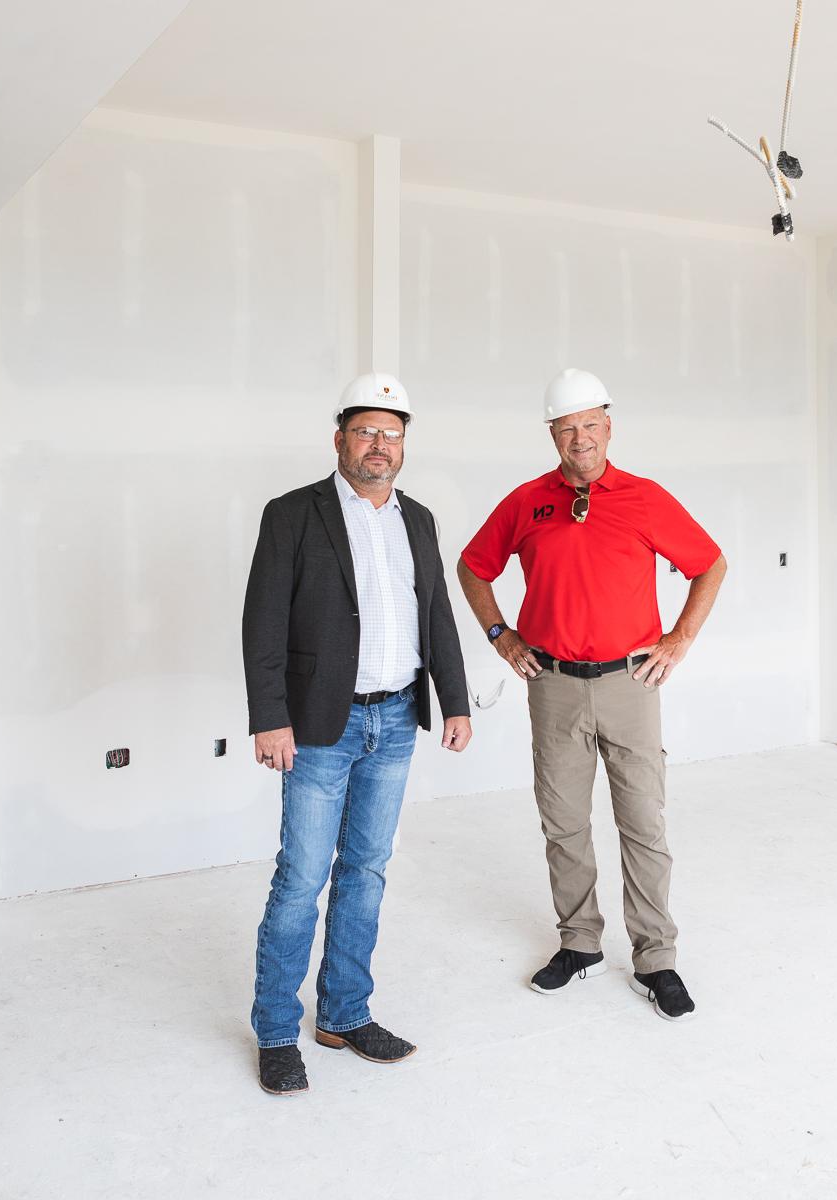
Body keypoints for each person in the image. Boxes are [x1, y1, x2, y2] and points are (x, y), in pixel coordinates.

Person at [456, 368, 725, 1022]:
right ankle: (579, 943)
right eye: (567, 426)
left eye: (591, 423)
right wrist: (501, 635)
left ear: (609, 425)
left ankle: (655, 956)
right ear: (552, 433)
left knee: (643, 822)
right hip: (551, 685)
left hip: (629, 682)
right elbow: (473, 565)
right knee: (564, 822)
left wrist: (679, 639)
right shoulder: (527, 502)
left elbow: (709, 563)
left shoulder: (643, 497)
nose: (581, 437)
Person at [242, 373, 473, 1096]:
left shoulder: (421, 519)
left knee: (367, 872)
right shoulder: (293, 514)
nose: (380, 445)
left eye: (393, 433)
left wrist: (455, 701)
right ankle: (278, 1030)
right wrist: (269, 717)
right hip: (317, 725)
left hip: (396, 718)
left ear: (404, 445)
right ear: (340, 438)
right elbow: (263, 623)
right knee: (300, 879)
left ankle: (344, 1013)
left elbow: (435, 614)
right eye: (367, 431)